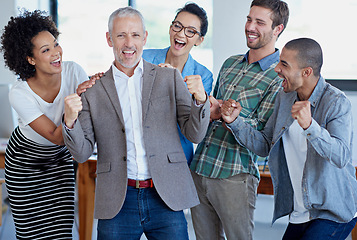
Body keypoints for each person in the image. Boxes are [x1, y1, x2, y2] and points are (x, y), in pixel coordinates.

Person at [62, 6, 210, 240]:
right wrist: (69, 122)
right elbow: (81, 154)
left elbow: (195, 134)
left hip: (165, 196)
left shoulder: (169, 78)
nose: (128, 43)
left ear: (145, 38)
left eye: (135, 35)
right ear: (109, 39)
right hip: (117, 200)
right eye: (121, 35)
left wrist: (201, 101)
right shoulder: (93, 90)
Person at [220, 37, 357, 240]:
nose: (276, 68)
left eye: (284, 64)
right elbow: (266, 144)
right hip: (301, 212)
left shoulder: (336, 102)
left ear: (306, 72)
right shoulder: (284, 97)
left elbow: (341, 156)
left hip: (333, 212)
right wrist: (235, 122)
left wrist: (310, 126)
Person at [189, 0, 289, 239]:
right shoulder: (230, 64)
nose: (250, 27)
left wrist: (233, 120)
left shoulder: (279, 77)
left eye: (260, 22)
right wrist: (206, 107)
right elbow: (210, 116)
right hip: (200, 168)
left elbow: (264, 142)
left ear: (278, 29)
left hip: (234, 176)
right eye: (249, 19)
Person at [0, 10, 94, 239]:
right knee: (31, 232)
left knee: (61, 230)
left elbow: (89, 116)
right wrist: (74, 110)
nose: (56, 53)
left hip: (59, 159)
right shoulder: (20, 93)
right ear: (30, 59)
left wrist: (91, 94)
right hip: (24, 162)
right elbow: (54, 134)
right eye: (46, 50)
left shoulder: (73, 71)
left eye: (55, 44)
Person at [143, 2, 213, 165]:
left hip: (176, 160)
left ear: (199, 40)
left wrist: (178, 86)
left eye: (190, 31)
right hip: (141, 155)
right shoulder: (144, 59)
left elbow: (195, 129)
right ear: (170, 28)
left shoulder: (203, 76)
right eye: (177, 26)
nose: (181, 34)